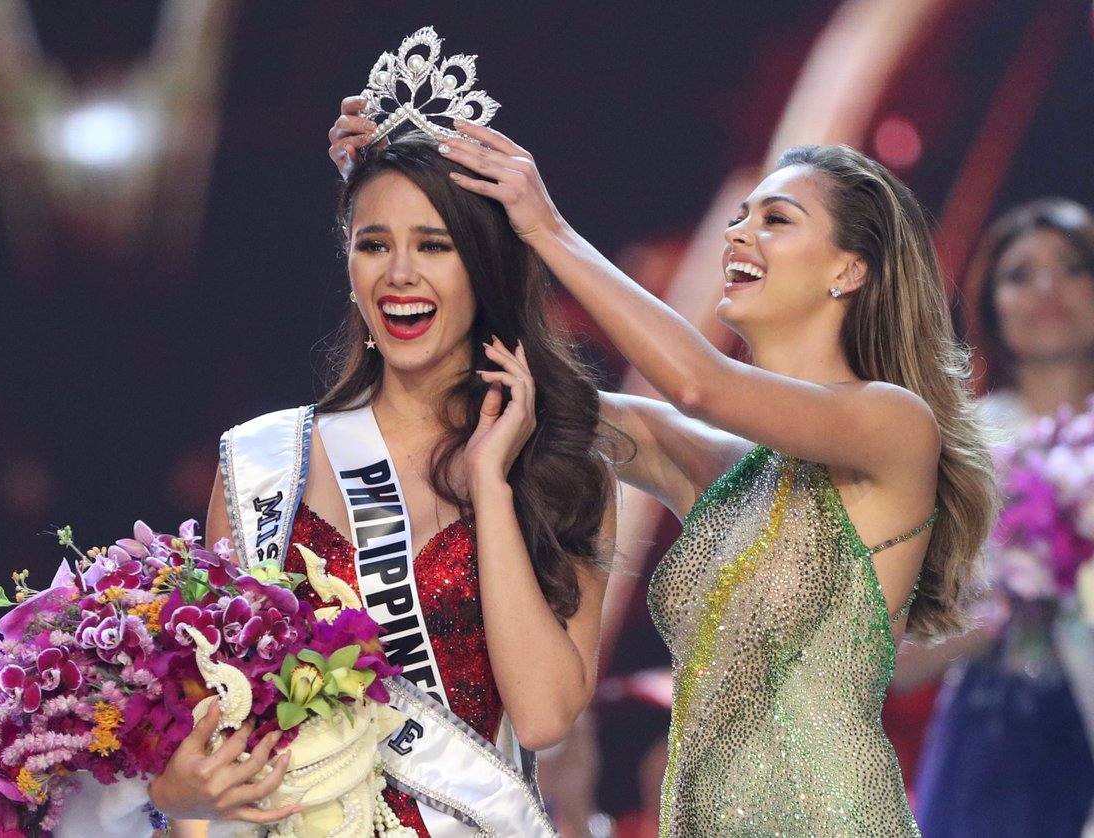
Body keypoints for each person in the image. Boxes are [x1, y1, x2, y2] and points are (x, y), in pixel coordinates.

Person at [329, 99, 997, 835]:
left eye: (775, 218)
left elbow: (698, 383)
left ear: (848, 269)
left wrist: (546, 226)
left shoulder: (896, 424)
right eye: (740, 215)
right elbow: (507, 383)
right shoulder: (716, 466)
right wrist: (410, 205)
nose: (738, 231)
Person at [145, 128, 617, 838]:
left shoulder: (560, 469)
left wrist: (491, 487)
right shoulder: (266, 459)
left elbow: (545, 716)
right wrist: (179, 796)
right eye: (374, 244)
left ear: (483, 267)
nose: (399, 273)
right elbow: (219, 711)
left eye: (433, 245)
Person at [893, 198, 1094, 836]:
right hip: (994, 745)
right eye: (1018, 274)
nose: (1045, 288)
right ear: (991, 304)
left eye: (1071, 266)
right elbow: (894, 663)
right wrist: (1013, 598)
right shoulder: (957, 446)